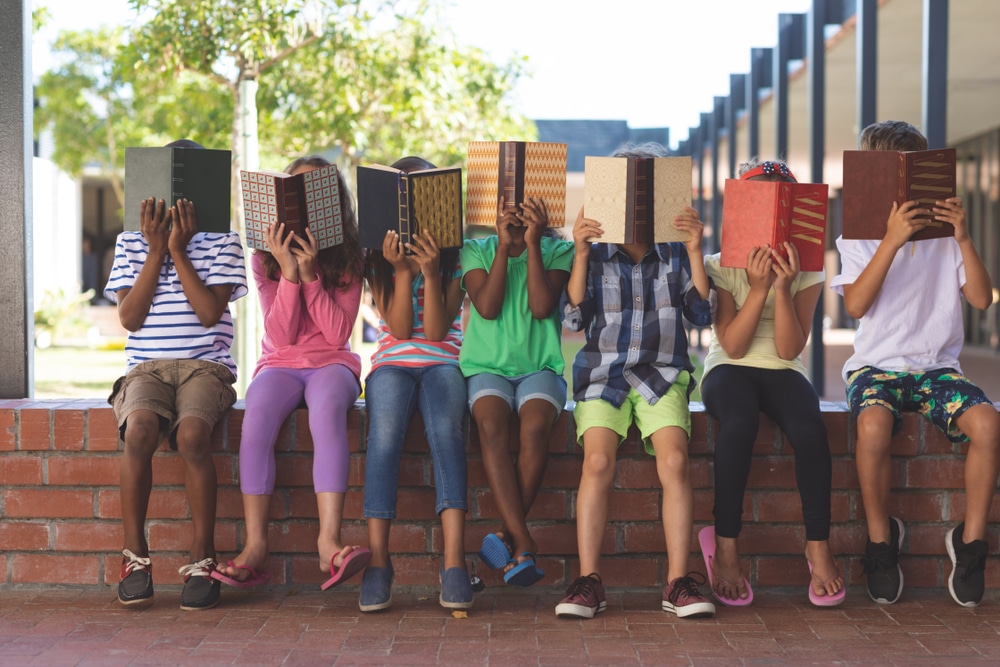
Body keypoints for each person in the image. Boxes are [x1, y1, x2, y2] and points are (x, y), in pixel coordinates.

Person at [831, 120, 1000, 607]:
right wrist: (890, 240)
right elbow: (858, 306)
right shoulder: (859, 234)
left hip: (937, 368)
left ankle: (969, 546)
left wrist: (964, 237)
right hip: (876, 367)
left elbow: (983, 299)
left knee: (988, 425)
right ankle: (882, 542)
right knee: (872, 429)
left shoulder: (946, 236)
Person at [556, 142, 717, 620]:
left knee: (674, 459)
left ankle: (678, 581)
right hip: (602, 375)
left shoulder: (673, 253)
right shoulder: (598, 252)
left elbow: (702, 311)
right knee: (598, 460)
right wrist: (581, 253)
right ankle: (589, 581)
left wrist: (694, 250)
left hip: (662, 373)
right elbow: (573, 316)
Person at [213, 155, 371, 592]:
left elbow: (338, 333)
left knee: (325, 415)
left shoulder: (350, 256)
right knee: (256, 419)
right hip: (280, 364)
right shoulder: (264, 259)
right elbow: (281, 336)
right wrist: (287, 274)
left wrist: (310, 274)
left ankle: (328, 543)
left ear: (331, 205)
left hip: (332, 364)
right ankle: (256, 545)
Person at [105, 139, 247, 611]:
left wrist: (180, 251)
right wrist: (154, 251)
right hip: (146, 367)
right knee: (140, 431)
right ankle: (135, 555)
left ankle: (202, 555)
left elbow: (209, 312)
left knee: (192, 437)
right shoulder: (130, 241)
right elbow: (130, 317)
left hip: (205, 367)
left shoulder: (224, 241)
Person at [698, 159, 844, 608]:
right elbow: (734, 346)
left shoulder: (809, 269)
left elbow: (787, 350)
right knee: (738, 422)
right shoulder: (719, 264)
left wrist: (782, 288)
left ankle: (817, 545)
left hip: (783, 368)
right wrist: (757, 289)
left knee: (809, 429)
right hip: (729, 365)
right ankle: (725, 545)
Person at [358, 156, 472, 611]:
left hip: (443, 360)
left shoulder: (456, 258)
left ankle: (454, 562)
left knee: (447, 433)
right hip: (392, 362)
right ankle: (380, 562)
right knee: (383, 435)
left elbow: (439, 332)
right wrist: (403, 271)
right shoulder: (378, 261)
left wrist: (428, 270)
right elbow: (402, 331)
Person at [462, 188, 574, 587]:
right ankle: (523, 539)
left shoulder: (560, 252)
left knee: (534, 428)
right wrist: (503, 248)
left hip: (540, 366)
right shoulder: (474, 250)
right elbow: (488, 307)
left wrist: (532, 246)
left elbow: (542, 306)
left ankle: (508, 538)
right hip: (486, 366)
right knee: (490, 426)